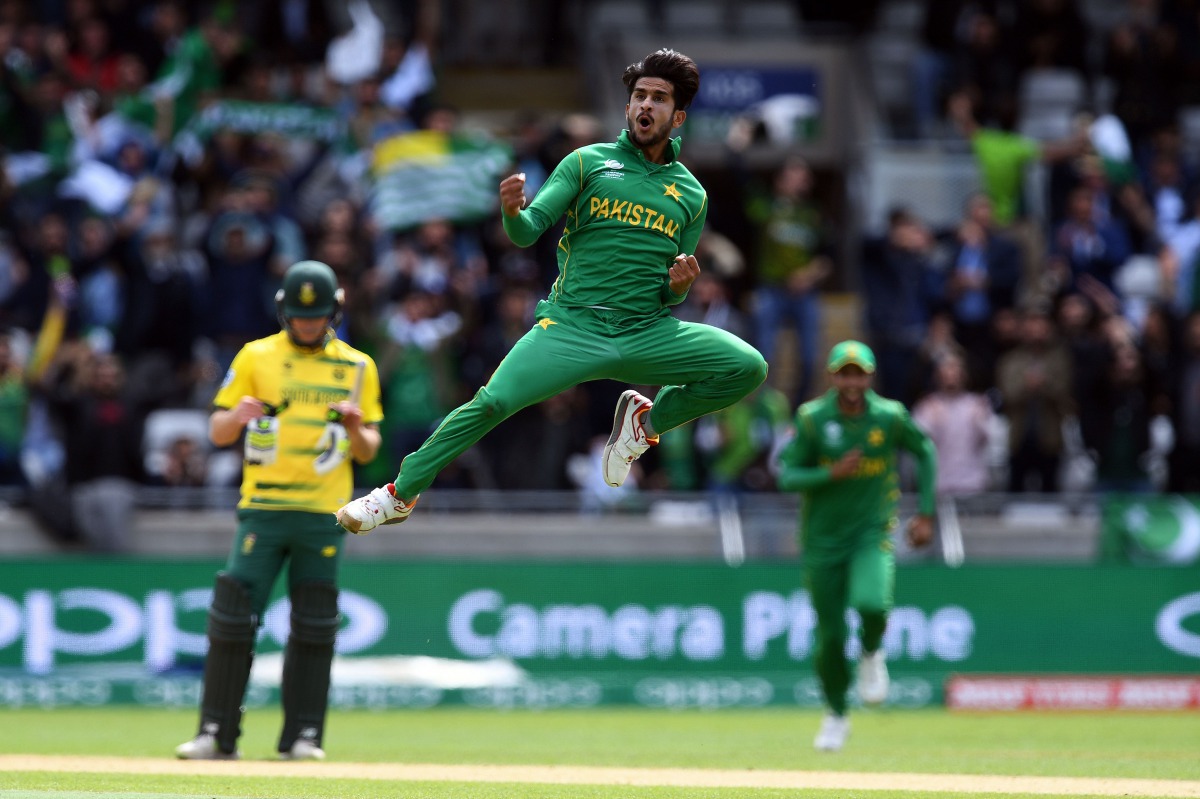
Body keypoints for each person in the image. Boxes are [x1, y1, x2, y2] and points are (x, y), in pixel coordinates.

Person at [334, 48, 767, 533]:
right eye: (639, 96)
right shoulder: (587, 163)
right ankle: (396, 494)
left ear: (677, 115)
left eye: (658, 98)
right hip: (573, 327)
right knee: (491, 403)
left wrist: (678, 287)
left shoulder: (691, 194)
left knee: (748, 367)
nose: (645, 105)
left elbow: (670, 294)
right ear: (627, 108)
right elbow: (527, 231)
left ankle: (642, 428)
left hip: (646, 329)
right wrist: (513, 212)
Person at [175, 260, 384, 761]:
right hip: (263, 508)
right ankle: (215, 733)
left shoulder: (358, 367)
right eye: (298, 316)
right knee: (232, 615)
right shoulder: (255, 356)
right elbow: (217, 431)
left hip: (324, 513)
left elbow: (369, 449)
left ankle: (304, 735)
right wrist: (237, 416)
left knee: (314, 622)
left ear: (333, 310)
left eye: (315, 317)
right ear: (283, 312)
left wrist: (356, 427)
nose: (306, 325)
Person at [775, 341, 937, 752]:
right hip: (822, 541)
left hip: (872, 532)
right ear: (832, 377)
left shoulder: (890, 415)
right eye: (844, 373)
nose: (852, 381)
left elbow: (926, 451)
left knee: (872, 605)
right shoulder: (812, 419)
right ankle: (835, 713)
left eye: (859, 373)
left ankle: (871, 650)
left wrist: (926, 513)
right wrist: (830, 473)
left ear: (870, 377)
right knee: (829, 638)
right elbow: (787, 475)